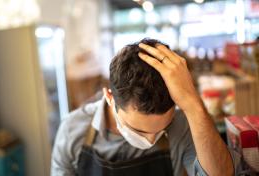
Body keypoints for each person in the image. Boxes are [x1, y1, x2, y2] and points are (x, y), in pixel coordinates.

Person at [51, 38, 239, 176]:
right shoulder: (72, 129)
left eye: (161, 131)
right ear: (110, 98)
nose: (150, 141)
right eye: (138, 131)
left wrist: (194, 105)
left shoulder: (182, 125)